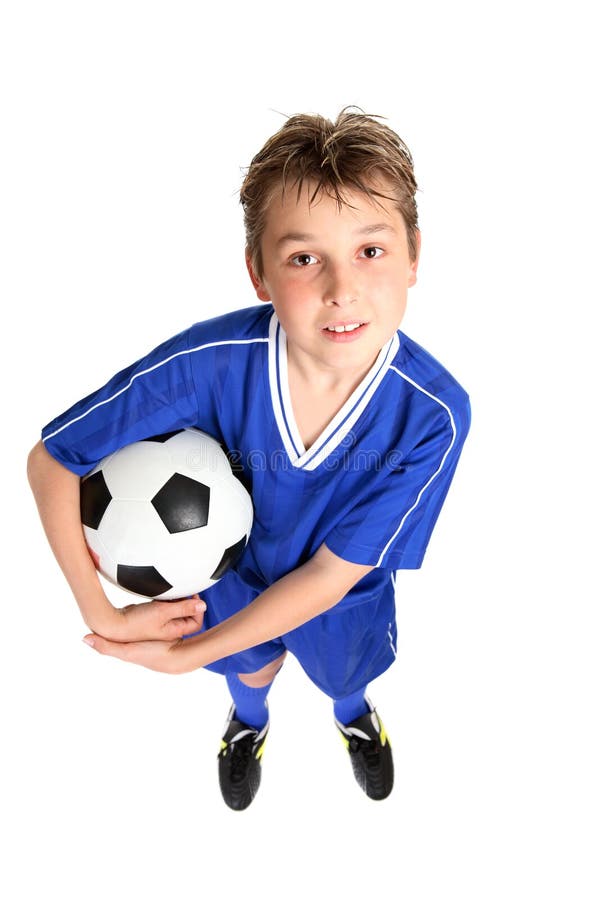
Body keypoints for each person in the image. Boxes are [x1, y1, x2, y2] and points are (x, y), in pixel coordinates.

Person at [27, 108, 470, 811]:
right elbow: (54, 459)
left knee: (342, 674)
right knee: (251, 666)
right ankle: (248, 725)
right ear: (258, 272)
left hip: (340, 594)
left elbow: (333, 571)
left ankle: (353, 716)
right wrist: (101, 612)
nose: (341, 288)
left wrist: (183, 655)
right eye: (303, 257)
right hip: (225, 580)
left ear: (415, 255)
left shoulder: (431, 416)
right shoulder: (209, 365)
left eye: (371, 250)